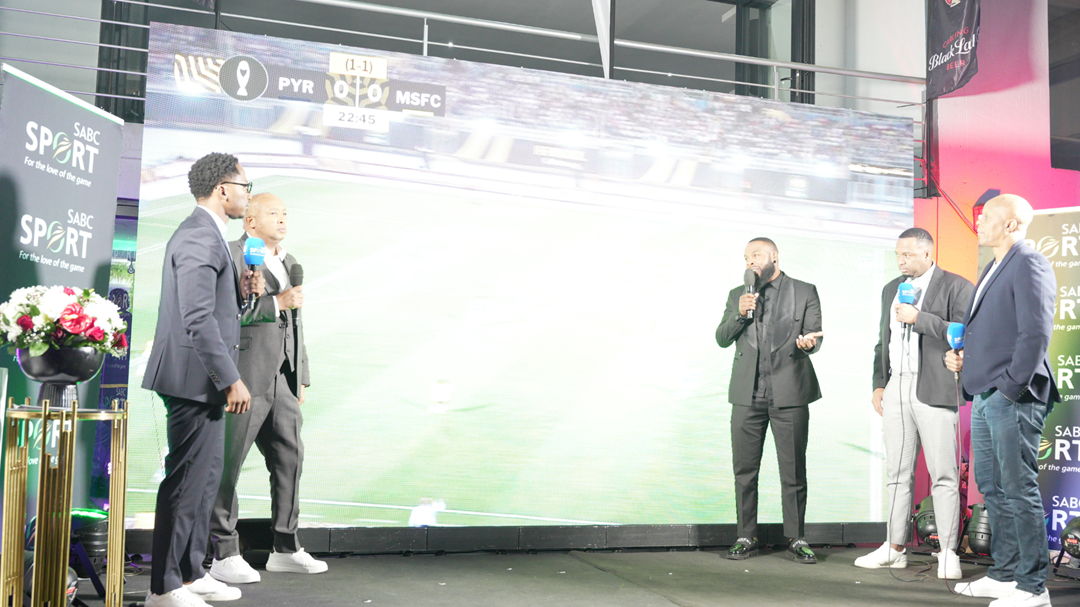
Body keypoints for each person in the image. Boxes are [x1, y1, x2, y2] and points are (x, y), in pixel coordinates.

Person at [142, 153, 264, 607]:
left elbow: (218, 310)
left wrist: (246, 294)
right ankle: (164, 586)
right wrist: (231, 379)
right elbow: (196, 318)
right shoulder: (198, 235)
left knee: (204, 480)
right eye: (245, 186)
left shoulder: (212, 235)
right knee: (186, 481)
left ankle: (191, 573)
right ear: (222, 189)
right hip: (192, 380)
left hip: (202, 382)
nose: (248, 196)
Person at [946, 194, 1059, 607]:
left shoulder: (1029, 262)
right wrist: (963, 359)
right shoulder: (994, 265)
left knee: (1017, 488)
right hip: (985, 392)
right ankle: (1006, 573)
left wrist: (1010, 387)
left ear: (1011, 224)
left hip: (1012, 395)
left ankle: (1033, 587)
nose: (979, 221)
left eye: (987, 216)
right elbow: (994, 332)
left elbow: (1036, 333)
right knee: (992, 487)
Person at [209, 193, 327, 583]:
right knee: (227, 465)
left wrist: (301, 373)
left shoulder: (291, 263)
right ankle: (224, 552)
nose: (282, 218)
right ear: (250, 222)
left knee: (290, 460)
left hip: (284, 380)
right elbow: (224, 314)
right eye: (273, 212)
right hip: (243, 377)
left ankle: (286, 548)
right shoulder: (232, 255)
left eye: (285, 212)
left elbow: (296, 322)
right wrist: (278, 302)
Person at [854, 228, 973, 579]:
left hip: (935, 388)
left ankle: (948, 552)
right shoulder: (891, 288)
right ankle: (894, 548)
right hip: (896, 387)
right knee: (897, 474)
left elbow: (965, 333)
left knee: (943, 475)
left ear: (927, 253)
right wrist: (880, 383)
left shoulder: (956, 286)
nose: (901, 261)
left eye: (907, 255)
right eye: (897, 255)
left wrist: (918, 318)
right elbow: (883, 340)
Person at [716, 237, 823, 564]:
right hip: (747, 395)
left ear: (774, 256)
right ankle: (745, 536)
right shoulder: (738, 295)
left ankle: (796, 538)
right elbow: (722, 338)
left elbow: (814, 335)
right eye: (746, 257)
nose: (750, 261)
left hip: (790, 392)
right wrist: (740, 314)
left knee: (793, 471)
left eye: (757, 255)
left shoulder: (804, 291)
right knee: (744, 471)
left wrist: (809, 344)